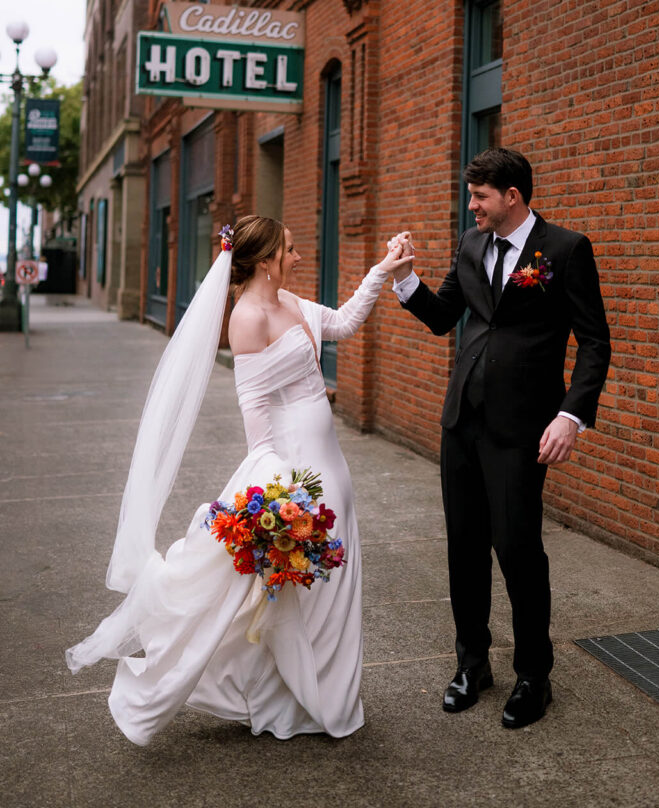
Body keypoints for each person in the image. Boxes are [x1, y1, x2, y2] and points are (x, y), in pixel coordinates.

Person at [66, 215, 412, 745]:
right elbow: (255, 413)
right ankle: (317, 699)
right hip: (298, 470)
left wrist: (383, 271)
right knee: (312, 590)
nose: (297, 258)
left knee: (339, 583)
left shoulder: (293, 304)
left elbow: (342, 322)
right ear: (267, 260)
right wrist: (283, 491)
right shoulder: (247, 319)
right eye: (290, 250)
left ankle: (327, 698)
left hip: (332, 464)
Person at [389, 147, 611, 729]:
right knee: (463, 548)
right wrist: (405, 279)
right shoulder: (470, 245)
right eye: (472, 196)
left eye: (481, 196)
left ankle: (534, 675)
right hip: (461, 420)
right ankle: (472, 664)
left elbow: (594, 342)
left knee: (516, 549)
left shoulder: (565, 250)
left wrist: (571, 415)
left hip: (523, 429)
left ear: (512, 195)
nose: (473, 206)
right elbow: (443, 318)